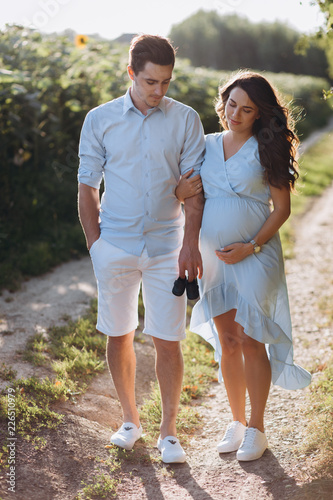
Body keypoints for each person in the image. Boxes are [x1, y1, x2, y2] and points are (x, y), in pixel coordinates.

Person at [77, 34, 205, 464]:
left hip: (169, 247)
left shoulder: (185, 119)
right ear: (131, 73)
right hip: (115, 244)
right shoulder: (100, 119)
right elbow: (87, 186)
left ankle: (169, 432)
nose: (159, 91)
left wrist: (190, 244)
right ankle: (130, 420)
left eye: (166, 82)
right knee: (119, 333)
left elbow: (194, 189)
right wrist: (96, 245)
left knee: (168, 339)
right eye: (151, 82)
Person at [176, 70, 311, 462]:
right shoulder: (205, 144)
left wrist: (250, 247)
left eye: (246, 109)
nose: (235, 113)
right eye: (231, 104)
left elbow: (282, 209)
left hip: (256, 255)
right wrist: (178, 191)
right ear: (223, 102)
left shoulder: (267, 148)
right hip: (216, 261)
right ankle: (236, 422)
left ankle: (257, 428)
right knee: (228, 342)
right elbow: (187, 193)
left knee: (252, 339)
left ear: (259, 114)